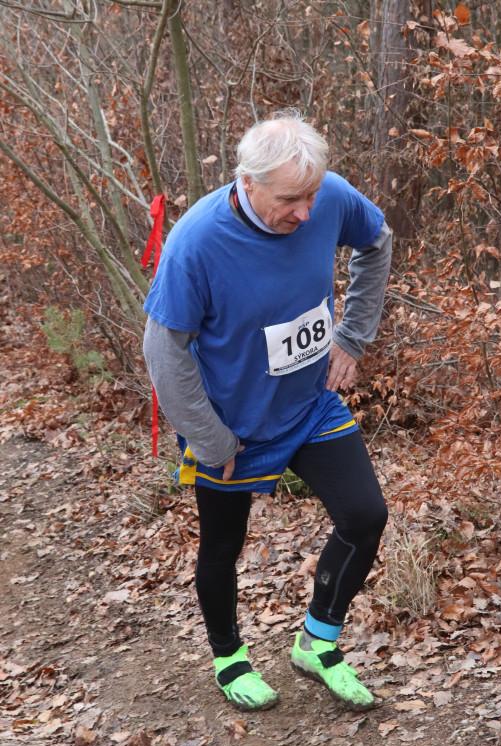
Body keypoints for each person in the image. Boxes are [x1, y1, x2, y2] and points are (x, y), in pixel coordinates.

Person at [143, 111, 392, 712]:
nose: (305, 213)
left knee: (365, 515)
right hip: (232, 423)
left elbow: (377, 241)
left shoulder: (328, 196)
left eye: (311, 196)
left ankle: (317, 642)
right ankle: (229, 657)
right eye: (289, 200)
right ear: (247, 182)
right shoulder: (196, 243)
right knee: (222, 544)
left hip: (309, 403)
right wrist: (211, 440)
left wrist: (353, 337)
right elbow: (163, 351)